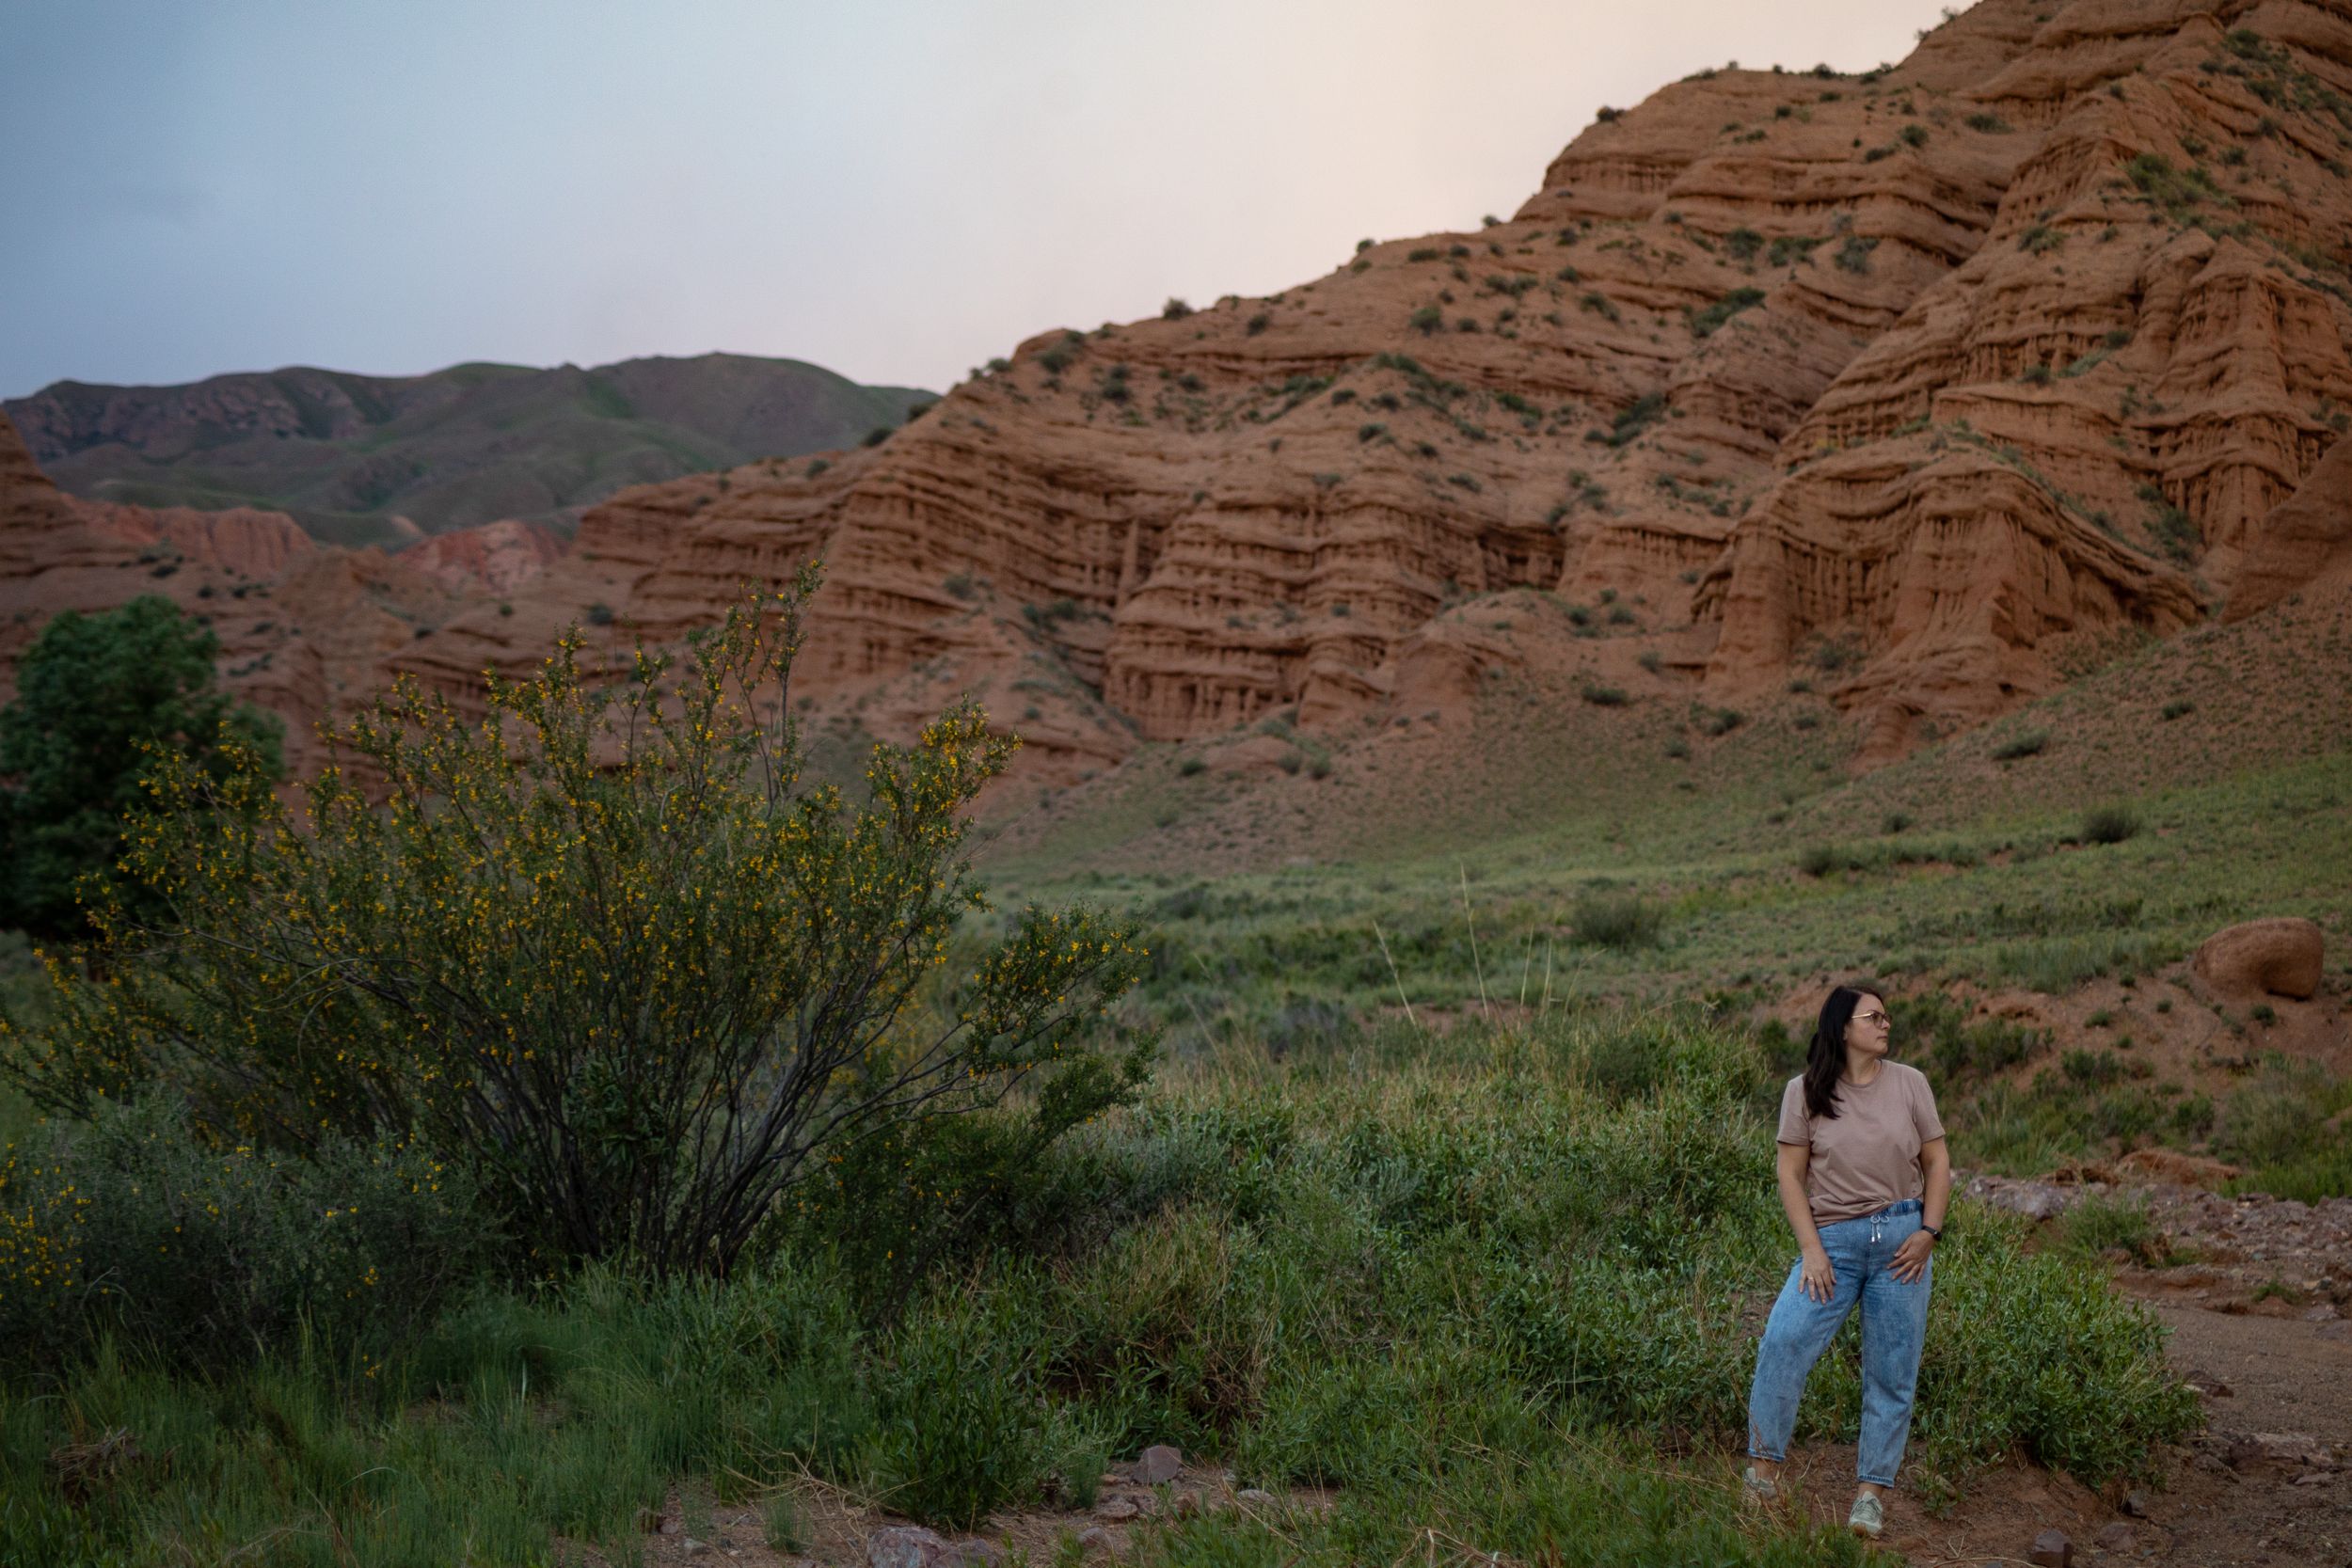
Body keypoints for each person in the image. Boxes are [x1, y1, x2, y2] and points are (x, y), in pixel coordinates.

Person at [1741, 982, 1950, 1540]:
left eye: (1887, 1016)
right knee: (1784, 1340)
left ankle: (1870, 1497)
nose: (1886, 1024)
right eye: (1874, 1016)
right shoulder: (1804, 1091)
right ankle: (1762, 1475)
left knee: (1892, 1371)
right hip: (1832, 1242)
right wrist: (1811, 1249)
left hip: (1903, 1243)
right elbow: (1790, 1174)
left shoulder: (1911, 1083)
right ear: (1843, 1028)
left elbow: (1937, 1161)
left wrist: (1930, 1230)